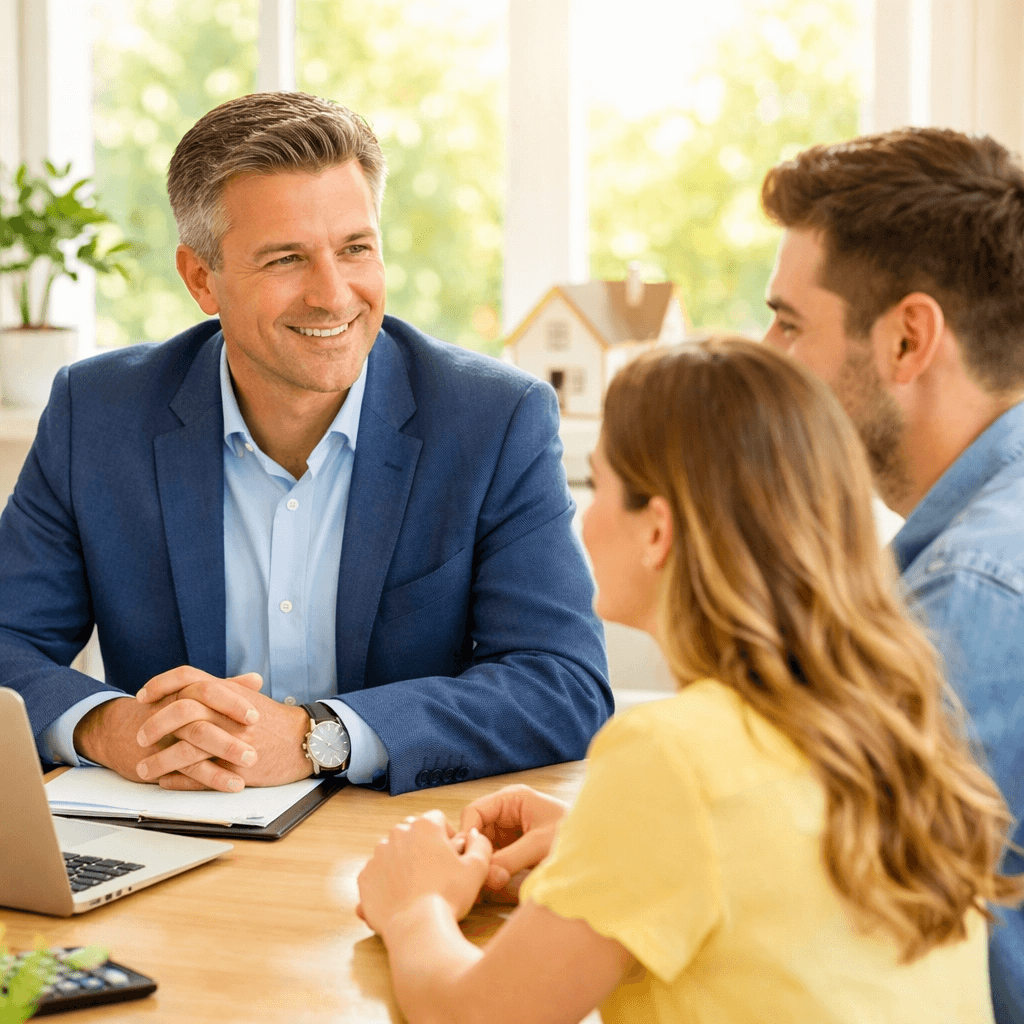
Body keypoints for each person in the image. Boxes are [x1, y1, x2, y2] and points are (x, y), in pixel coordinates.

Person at [356, 337, 1021, 1024]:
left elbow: (477, 1015)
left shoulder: (671, 755)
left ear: (657, 532)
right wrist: (602, 837)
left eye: (601, 485)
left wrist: (415, 906)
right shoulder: (885, 713)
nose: (584, 519)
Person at [0, 91, 611, 796]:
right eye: (286, 259)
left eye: (356, 249)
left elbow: (560, 683)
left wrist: (316, 737)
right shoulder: (98, 415)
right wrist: (111, 729)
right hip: (173, 838)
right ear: (202, 279)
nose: (333, 294)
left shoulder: (493, 420)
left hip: (396, 849)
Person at [758, 127, 1024, 1021]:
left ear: (909, 339)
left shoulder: (973, 594)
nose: (771, 357)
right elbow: (816, 838)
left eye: (791, 322)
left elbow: (839, 911)